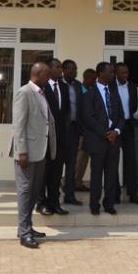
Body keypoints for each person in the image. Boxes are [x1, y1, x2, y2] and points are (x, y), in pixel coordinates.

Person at [10, 61, 55, 249]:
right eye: (47, 75)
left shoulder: (41, 93)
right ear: (39, 74)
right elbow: (19, 125)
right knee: (26, 191)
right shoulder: (25, 92)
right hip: (27, 153)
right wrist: (22, 151)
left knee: (35, 191)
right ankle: (25, 233)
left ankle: (26, 227)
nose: (50, 78)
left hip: (40, 152)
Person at [81, 62, 123, 215]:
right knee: (97, 174)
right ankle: (94, 205)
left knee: (111, 174)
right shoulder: (89, 94)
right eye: (111, 72)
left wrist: (116, 132)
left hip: (114, 140)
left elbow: (121, 116)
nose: (113, 74)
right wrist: (106, 133)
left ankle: (109, 204)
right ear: (100, 73)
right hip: (97, 140)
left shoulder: (114, 93)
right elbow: (88, 118)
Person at [36, 59, 69, 216]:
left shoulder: (64, 87)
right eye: (58, 67)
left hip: (61, 140)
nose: (61, 70)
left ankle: (55, 202)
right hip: (45, 139)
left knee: (56, 173)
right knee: (43, 172)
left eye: (61, 67)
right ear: (49, 69)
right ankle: (42, 203)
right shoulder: (40, 87)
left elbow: (66, 113)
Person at [112, 62, 138, 206]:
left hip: (128, 126)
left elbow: (135, 106)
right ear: (115, 73)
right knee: (113, 161)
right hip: (113, 128)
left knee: (131, 161)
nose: (125, 75)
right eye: (122, 73)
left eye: (127, 72)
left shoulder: (133, 87)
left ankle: (133, 193)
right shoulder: (110, 86)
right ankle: (114, 194)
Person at [60, 60, 84, 206]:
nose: (74, 72)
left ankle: (70, 195)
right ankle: (53, 196)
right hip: (61, 131)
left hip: (75, 130)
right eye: (71, 70)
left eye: (75, 70)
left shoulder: (78, 86)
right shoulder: (58, 85)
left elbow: (81, 107)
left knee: (71, 165)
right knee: (56, 166)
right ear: (64, 70)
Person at [74, 68, 97, 192]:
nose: (95, 81)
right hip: (81, 131)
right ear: (87, 78)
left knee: (84, 158)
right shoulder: (79, 91)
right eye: (93, 79)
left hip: (89, 131)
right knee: (79, 158)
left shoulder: (91, 91)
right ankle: (69, 181)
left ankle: (78, 182)